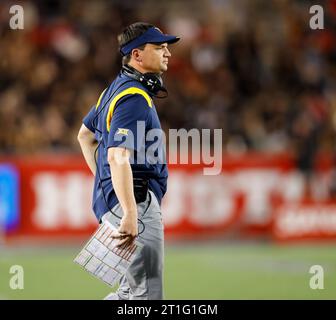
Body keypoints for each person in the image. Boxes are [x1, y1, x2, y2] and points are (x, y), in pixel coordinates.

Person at [77, 22, 180, 300]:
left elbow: (84, 136)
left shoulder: (114, 89)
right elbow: (116, 155)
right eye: (159, 47)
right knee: (146, 298)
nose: (167, 53)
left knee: (129, 295)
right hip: (135, 202)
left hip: (120, 201)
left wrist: (106, 182)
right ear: (137, 55)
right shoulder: (132, 96)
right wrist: (131, 212)